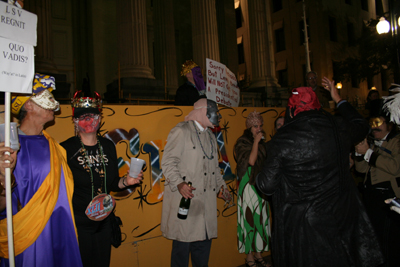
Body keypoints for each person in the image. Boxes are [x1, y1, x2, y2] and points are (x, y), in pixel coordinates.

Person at [256, 78, 384, 267]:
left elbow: (266, 185)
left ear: (291, 110)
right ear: (317, 106)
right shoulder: (338, 127)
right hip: (341, 218)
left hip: (304, 228)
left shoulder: (281, 140)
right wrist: (338, 98)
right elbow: (361, 125)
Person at [0, 73, 83, 267]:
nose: (54, 104)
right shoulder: (7, 149)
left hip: (60, 230)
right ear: (28, 105)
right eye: (47, 97)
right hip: (27, 237)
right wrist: (4, 177)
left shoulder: (55, 147)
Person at [60, 91, 143, 267]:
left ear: (100, 117)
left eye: (93, 116)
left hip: (103, 221)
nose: (89, 121)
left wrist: (126, 182)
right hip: (78, 224)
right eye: (83, 116)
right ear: (75, 120)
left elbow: (112, 183)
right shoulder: (65, 149)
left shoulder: (108, 146)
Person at [161, 98, 232, 267]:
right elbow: (168, 162)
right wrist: (179, 183)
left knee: (202, 257)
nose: (219, 116)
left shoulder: (210, 137)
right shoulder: (181, 131)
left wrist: (222, 188)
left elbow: (214, 168)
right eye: (216, 111)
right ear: (202, 111)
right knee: (181, 255)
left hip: (205, 209)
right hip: (186, 207)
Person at [355, 98, 400, 267]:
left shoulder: (397, 141)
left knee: (389, 241)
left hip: (389, 198)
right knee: (373, 239)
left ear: (389, 124)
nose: (374, 128)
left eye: (378, 123)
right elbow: (360, 170)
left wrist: (368, 153)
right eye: (372, 124)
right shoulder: (372, 144)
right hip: (371, 198)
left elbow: (395, 167)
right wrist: (360, 153)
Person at [234, 111, 271, 267]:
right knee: (249, 219)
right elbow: (250, 161)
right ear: (249, 127)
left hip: (259, 185)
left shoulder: (263, 143)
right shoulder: (242, 142)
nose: (259, 128)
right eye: (255, 126)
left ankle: (258, 253)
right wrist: (256, 142)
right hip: (247, 185)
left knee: (261, 219)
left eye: (260, 125)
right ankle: (249, 256)